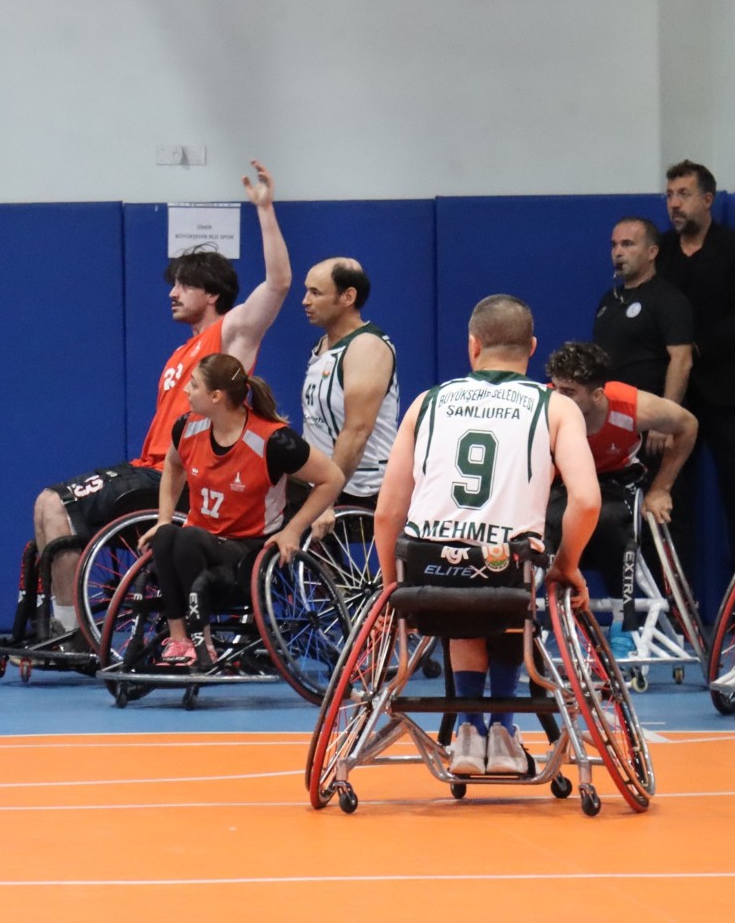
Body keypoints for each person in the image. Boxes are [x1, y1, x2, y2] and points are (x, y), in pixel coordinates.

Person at [29, 161, 292, 638]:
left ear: (212, 293)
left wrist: (265, 209)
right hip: (156, 466)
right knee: (48, 510)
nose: (172, 293)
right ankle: (63, 625)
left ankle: (75, 634)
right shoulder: (180, 351)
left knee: (53, 504)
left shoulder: (229, 335)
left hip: (178, 478)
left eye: (184, 285)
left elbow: (278, 285)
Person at [374, 295, 601, 778]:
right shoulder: (555, 406)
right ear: (533, 348)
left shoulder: (427, 402)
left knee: (459, 585)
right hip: (508, 567)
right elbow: (585, 500)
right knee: (504, 576)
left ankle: (469, 732)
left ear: (473, 346)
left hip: (427, 567)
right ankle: (502, 730)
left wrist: (390, 580)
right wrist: (567, 563)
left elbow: (388, 510)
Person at [137, 353, 346, 667]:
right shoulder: (187, 426)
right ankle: (180, 639)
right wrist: (164, 518)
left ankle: (202, 639)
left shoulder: (272, 440)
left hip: (249, 551)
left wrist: (293, 529)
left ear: (216, 397)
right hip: (197, 544)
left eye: (193, 386)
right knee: (167, 535)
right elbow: (172, 464)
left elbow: (333, 478)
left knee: (187, 539)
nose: (185, 391)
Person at [543, 341, 699, 654]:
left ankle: (623, 623)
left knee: (614, 520)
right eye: (556, 388)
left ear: (597, 394)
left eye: (569, 392)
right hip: (564, 483)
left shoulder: (632, 407)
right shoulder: (544, 406)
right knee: (549, 521)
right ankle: (552, 621)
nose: (558, 397)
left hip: (616, 482)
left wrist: (661, 489)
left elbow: (688, 425)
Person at [659, 160, 735, 591]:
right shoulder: (660, 252)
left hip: (729, 393)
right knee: (671, 500)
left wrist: (694, 350)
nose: (674, 204)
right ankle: (673, 605)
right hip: (675, 396)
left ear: (708, 199)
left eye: (683, 194)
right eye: (669, 195)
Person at [299, 257, 399, 514]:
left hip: (358, 486)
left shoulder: (366, 347)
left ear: (347, 297)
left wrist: (324, 497)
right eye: (306, 290)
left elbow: (357, 431)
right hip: (318, 478)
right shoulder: (322, 345)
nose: (305, 300)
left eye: (315, 292)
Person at [591, 215, 693, 413]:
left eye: (628, 244)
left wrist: (666, 416)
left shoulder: (668, 299)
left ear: (651, 252)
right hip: (611, 411)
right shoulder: (608, 300)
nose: (618, 252)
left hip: (649, 412)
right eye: (614, 245)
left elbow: (682, 361)